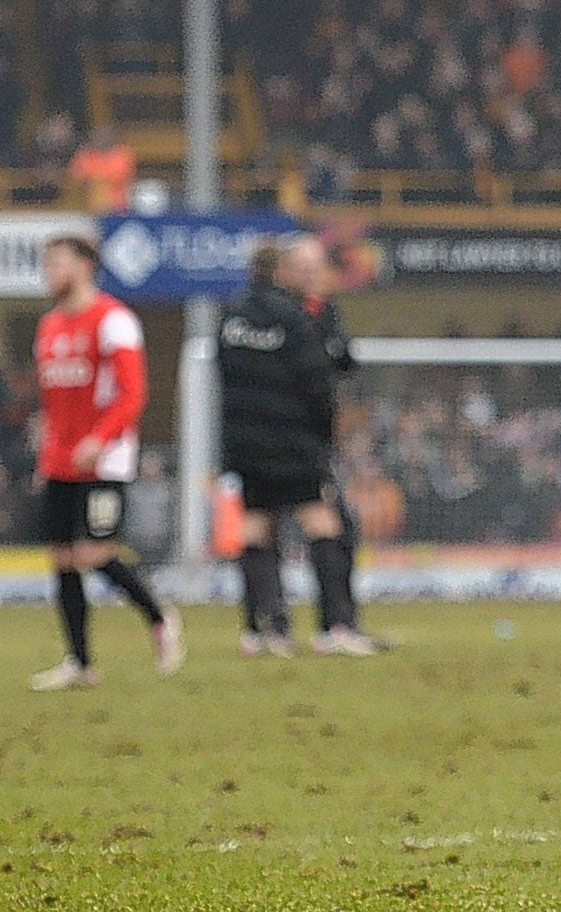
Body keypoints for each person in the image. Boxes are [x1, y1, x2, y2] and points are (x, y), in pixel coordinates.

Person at [28, 232, 183, 691]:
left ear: (84, 265)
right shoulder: (49, 326)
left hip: (105, 460)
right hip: (59, 459)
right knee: (62, 558)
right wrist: (47, 450)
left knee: (94, 552)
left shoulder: (114, 320)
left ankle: (159, 616)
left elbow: (132, 393)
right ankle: (80, 662)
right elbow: (53, 401)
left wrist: (100, 438)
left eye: (56, 262)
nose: (49, 272)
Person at [220, 242, 376, 658]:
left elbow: (225, 376)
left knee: (255, 526)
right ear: (283, 270)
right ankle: (336, 626)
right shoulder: (296, 317)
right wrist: (322, 439)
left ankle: (265, 629)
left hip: (246, 444)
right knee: (323, 524)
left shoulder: (230, 316)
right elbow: (318, 385)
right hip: (294, 445)